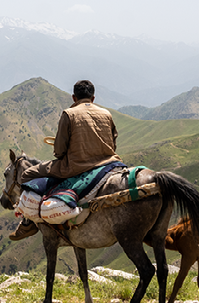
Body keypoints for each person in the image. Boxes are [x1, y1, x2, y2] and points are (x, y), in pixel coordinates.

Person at [10, 79, 121, 240]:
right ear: (93, 98)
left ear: (74, 98)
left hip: (76, 166)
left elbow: (59, 152)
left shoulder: (69, 114)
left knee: (28, 174)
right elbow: (113, 142)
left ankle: (29, 223)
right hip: (109, 162)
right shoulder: (106, 114)